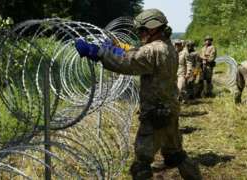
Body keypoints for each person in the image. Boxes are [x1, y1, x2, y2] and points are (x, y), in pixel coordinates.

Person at [74, 9, 202, 180]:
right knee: (176, 154)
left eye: (142, 30)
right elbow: (135, 54)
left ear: (152, 29)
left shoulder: (152, 50)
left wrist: (97, 52)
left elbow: (128, 62)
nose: (140, 33)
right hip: (170, 109)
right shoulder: (169, 47)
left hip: (155, 114)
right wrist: (121, 48)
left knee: (141, 164)